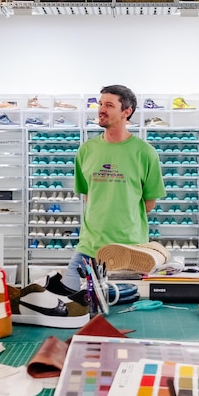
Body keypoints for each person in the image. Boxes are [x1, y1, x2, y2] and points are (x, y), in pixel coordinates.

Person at [62, 84, 166, 291]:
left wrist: (123, 221)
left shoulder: (145, 153)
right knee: (70, 298)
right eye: (100, 104)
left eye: (109, 105)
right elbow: (88, 196)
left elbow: (149, 203)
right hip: (89, 246)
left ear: (126, 112)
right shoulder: (86, 151)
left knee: (120, 309)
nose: (101, 109)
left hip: (130, 250)